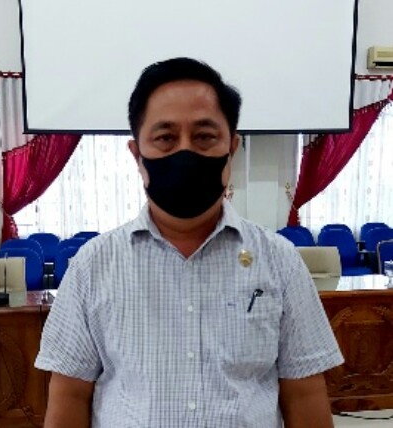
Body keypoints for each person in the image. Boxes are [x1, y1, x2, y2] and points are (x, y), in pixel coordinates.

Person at [35, 57, 344, 428]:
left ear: (232, 148)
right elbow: (69, 394)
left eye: (204, 137)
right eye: (165, 138)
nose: (185, 153)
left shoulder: (280, 261)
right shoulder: (92, 265)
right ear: (137, 155)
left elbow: (304, 393)